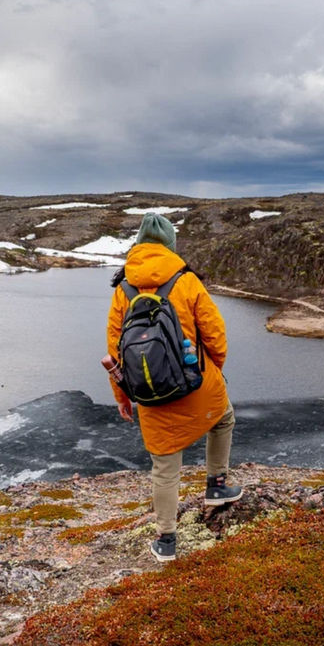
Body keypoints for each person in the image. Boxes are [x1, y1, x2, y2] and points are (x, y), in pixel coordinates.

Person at [105, 213, 241, 562]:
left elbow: (115, 348)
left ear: (138, 244)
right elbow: (215, 335)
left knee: (165, 468)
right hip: (196, 383)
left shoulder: (123, 289)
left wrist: (122, 396)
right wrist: (213, 372)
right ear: (170, 246)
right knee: (223, 418)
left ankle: (166, 540)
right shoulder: (186, 281)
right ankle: (217, 485)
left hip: (150, 395)